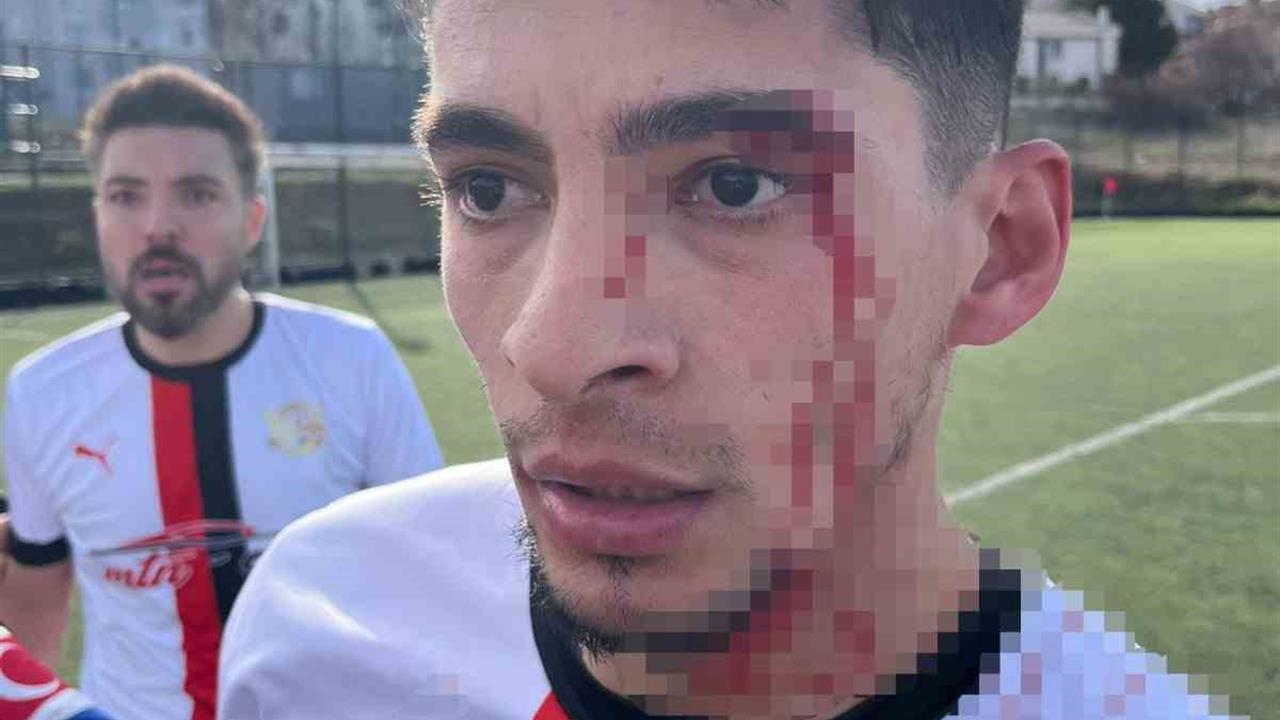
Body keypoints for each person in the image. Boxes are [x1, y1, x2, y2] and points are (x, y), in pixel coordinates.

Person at [219, 2, 1237, 719]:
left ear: (1000, 249)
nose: (552, 347)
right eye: (486, 189)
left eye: (736, 185)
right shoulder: (322, 624)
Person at [0, 65, 444, 720]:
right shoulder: (42, 391)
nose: (158, 226)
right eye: (125, 196)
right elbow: (37, 599)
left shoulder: (353, 359)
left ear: (252, 220)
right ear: (98, 215)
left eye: (197, 194)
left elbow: (428, 570)